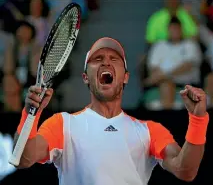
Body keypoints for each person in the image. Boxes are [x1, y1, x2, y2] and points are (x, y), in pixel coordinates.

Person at [13, 37, 209, 185]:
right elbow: (23, 158)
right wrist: (30, 114)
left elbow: (185, 170)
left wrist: (198, 120)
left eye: (114, 59)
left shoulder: (149, 131)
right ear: (85, 77)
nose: (106, 62)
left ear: (125, 77)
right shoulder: (62, 125)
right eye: (97, 59)